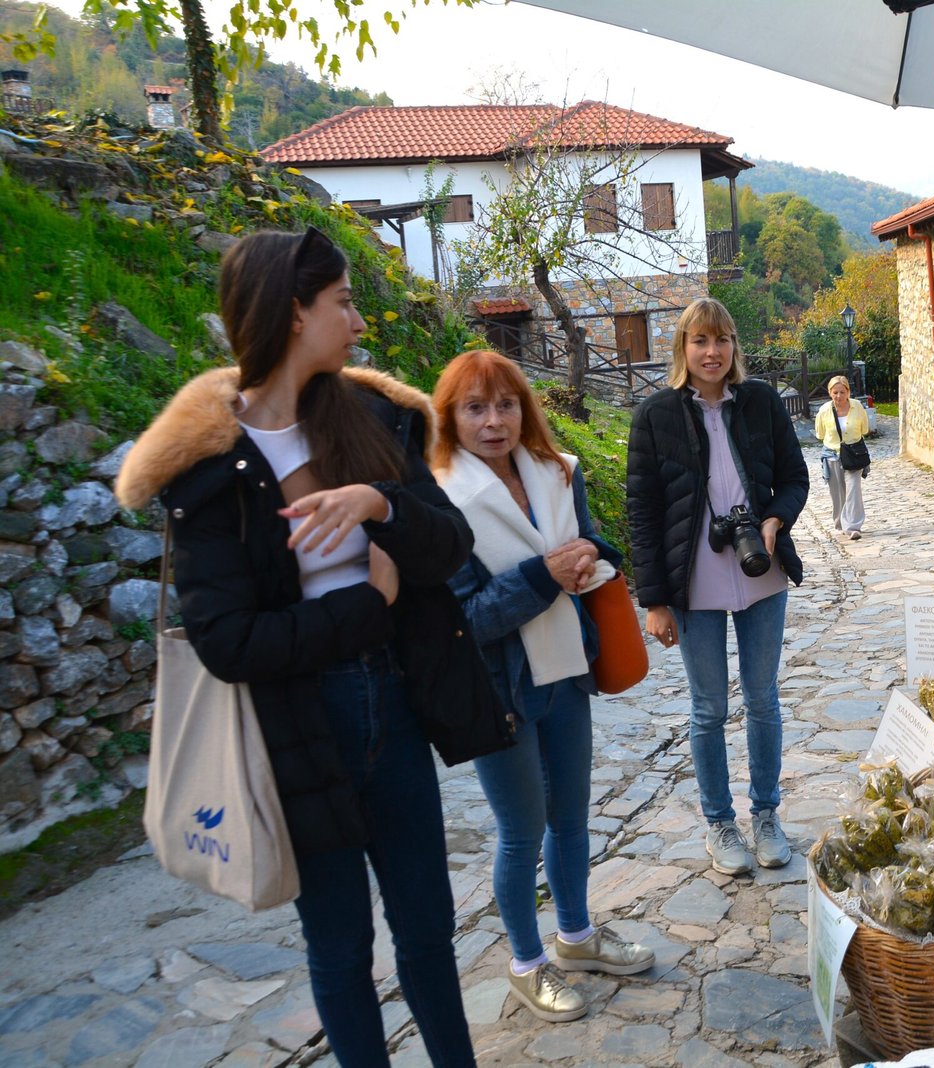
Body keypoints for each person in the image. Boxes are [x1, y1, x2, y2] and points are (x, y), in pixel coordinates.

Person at [114, 227, 509, 1067]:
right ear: (294, 313)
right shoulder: (210, 467)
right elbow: (229, 642)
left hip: (395, 703)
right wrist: (370, 605)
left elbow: (449, 545)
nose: (359, 322)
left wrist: (379, 504)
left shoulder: (371, 418)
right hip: (296, 723)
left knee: (428, 932)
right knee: (339, 946)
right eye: (343, 302)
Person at [432, 350, 655, 1023]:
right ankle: (527, 964)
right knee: (521, 831)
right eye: (475, 408)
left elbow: (593, 542)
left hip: (567, 671)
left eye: (506, 405)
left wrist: (593, 553)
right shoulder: (441, 500)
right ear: (450, 417)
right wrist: (543, 576)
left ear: (524, 409)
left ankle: (577, 936)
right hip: (498, 691)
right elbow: (462, 620)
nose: (493, 422)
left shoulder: (558, 472)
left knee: (572, 819)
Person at [626, 297, 809, 876]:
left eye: (722, 339)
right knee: (708, 708)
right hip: (693, 580)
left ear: (734, 346)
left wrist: (775, 518)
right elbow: (642, 514)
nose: (712, 352)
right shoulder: (654, 416)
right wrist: (655, 601)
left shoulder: (760, 402)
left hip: (762, 570)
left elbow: (795, 477)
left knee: (763, 699)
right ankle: (720, 823)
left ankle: (766, 815)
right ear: (683, 347)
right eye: (700, 340)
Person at [813, 374, 870, 539]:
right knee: (838, 492)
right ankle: (840, 522)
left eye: (842, 392)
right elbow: (820, 434)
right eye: (835, 392)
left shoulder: (857, 406)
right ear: (830, 393)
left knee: (853, 489)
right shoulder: (824, 410)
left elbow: (865, 429)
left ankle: (853, 526)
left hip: (853, 454)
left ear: (848, 392)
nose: (839, 396)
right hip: (832, 454)